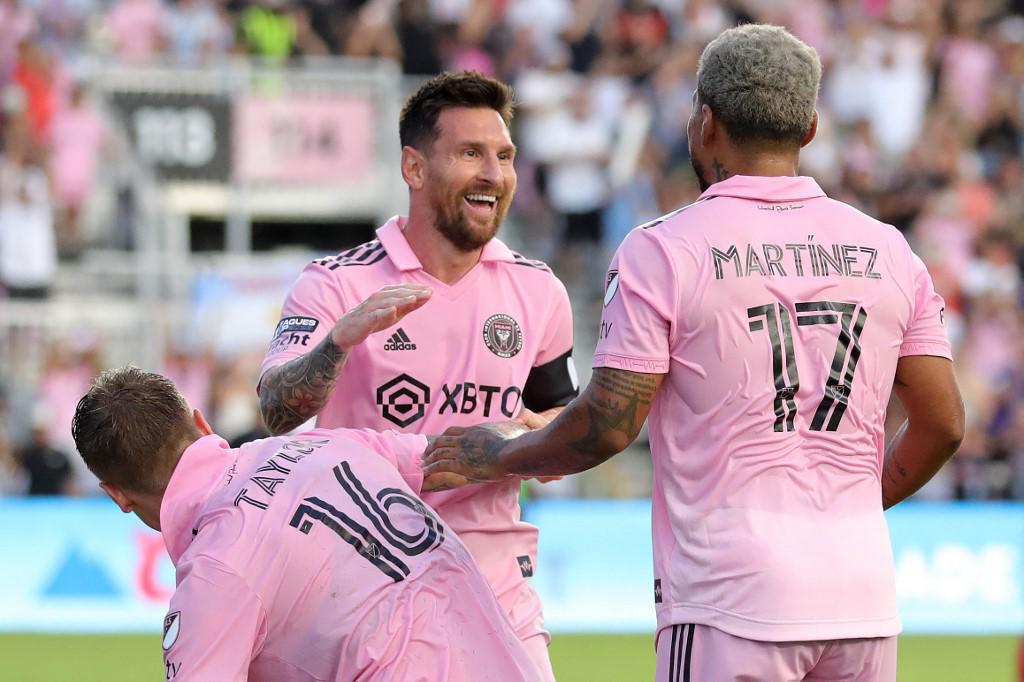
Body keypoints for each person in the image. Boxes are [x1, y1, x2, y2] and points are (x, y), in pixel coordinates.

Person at [422, 25, 965, 682]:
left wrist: (495, 454)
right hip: (863, 600)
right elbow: (943, 425)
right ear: (811, 128)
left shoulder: (663, 250)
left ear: (705, 122)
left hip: (729, 600)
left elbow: (606, 426)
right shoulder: (887, 249)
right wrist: (846, 506)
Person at [257, 71, 577, 679]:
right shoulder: (336, 283)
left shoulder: (539, 290)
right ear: (414, 169)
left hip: (498, 592)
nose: (494, 173)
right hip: (364, 591)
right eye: (470, 153)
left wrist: (534, 439)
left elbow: (561, 414)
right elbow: (276, 409)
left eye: (504, 156)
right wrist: (337, 343)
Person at [71, 366, 541, 681]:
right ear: (201, 422)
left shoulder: (215, 573)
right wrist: (533, 433)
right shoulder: (323, 444)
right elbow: (461, 455)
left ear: (117, 495)